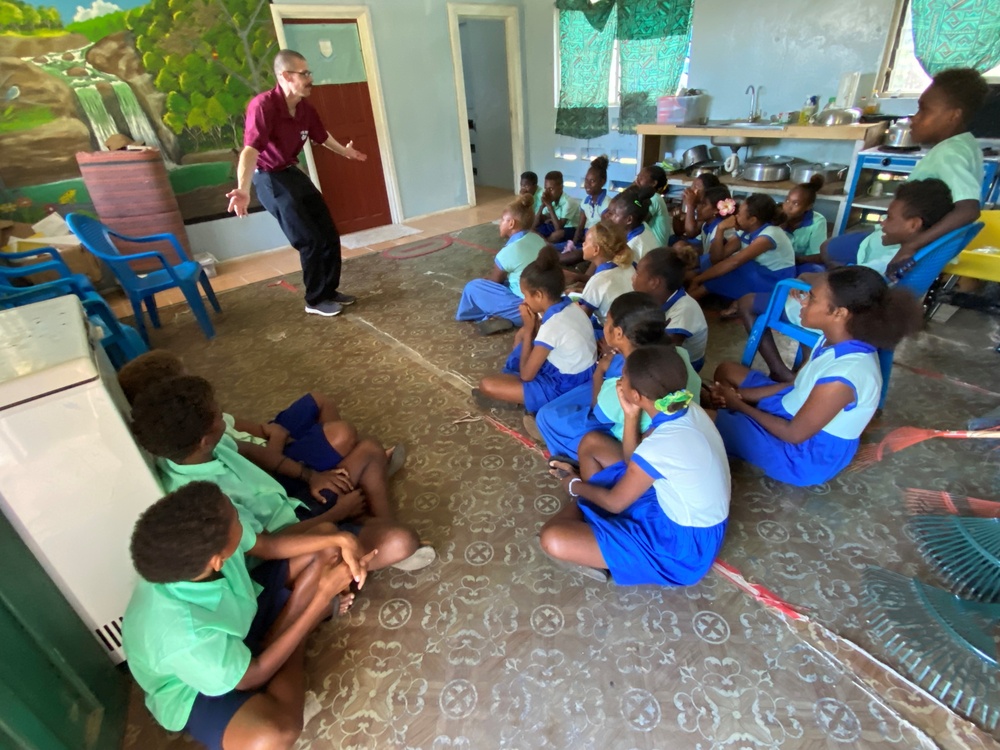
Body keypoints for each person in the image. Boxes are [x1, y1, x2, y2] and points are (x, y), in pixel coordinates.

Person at [122, 481, 374, 750]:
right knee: (274, 735)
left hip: (238, 616)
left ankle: (284, 632)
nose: (240, 515)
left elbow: (269, 547)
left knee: (326, 544)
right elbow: (252, 676)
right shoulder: (185, 635)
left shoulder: (201, 549)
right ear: (217, 560)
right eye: (236, 519)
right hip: (193, 685)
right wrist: (321, 597)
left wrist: (340, 538)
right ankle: (304, 625)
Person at [130, 375, 434, 571]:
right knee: (401, 541)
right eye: (217, 413)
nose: (223, 414)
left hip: (293, 500)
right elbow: (269, 546)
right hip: (294, 541)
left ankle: (373, 521)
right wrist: (335, 513)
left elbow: (257, 453)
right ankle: (367, 522)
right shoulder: (203, 500)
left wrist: (309, 476)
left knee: (369, 450)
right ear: (203, 439)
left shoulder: (206, 445)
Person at [711, 266, 923, 486]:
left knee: (708, 419)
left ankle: (733, 426)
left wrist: (739, 403)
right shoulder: (833, 338)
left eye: (811, 298)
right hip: (793, 406)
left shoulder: (844, 376)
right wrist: (740, 394)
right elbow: (797, 384)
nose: (802, 302)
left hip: (803, 454)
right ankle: (735, 425)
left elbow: (793, 434)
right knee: (726, 371)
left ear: (839, 312)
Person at [541, 345, 731, 585]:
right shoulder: (686, 408)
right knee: (592, 443)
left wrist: (574, 485)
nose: (620, 380)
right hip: (678, 506)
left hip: (683, 547)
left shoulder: (662, 443)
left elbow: (615, 503)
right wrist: (631, 415)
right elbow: (635, 460)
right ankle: (594, 529)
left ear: (637, 396)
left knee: (552, 538)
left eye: (623, 377)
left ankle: (594, 535)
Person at [116, 350, 405, 505]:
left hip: (271, 447)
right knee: (343, 435)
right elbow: (260, 466)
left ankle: (357, 470)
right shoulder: (203, 436)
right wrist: (276, 439)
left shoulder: (203, 418)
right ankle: (359, 473)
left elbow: (250, 428)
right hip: (274, 464)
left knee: (318, 401)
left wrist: (270, 431)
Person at [737, 179, 954, 382]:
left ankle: (778, 369)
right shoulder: (912, 257)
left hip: (838, 311)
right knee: (808, 293)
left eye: (888, 217)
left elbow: (831, 284)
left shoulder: (889, 261)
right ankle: (804, 364)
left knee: (747, 302)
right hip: (852, 310)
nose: (882, 222)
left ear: (914, 224)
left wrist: (803, 277)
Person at [226, 50, 367, 319]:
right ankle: (314, 299)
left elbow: (322, 137)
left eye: (309, 72)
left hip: (290, 172)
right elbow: (250, 151)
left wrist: (345, 152)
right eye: (304, 74)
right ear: (286, 76)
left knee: (328, 233)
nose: (310, 78)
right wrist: (243, 189)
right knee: (309, 240)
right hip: (268, 177)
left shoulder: (305, 109)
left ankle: (328, 291)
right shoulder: (263, 105)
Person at [535, 292, 700, 462]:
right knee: (564, 405)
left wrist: (600, 371)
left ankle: (577, 458)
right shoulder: (679, 353)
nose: (605, 325)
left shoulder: (628, 381)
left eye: (607, 321)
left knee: (547, 417)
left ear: (619, 334)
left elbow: (597, 409)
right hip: (662, 419)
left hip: (631, 437)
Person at [475, 246, 597, 413]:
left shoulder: (553, 325)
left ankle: (528, 401)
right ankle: (516, 392)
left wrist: (529, 326)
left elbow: (526, 375)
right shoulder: (570, 306)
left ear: (539, 295)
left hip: (565, 384)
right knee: (520, 340)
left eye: (526, 294)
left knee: (487, 385)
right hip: (580, 371)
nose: (524, 300)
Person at [456, 194, 547, 335]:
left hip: (526, 308)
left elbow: (495, 281)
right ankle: (496, 316)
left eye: (502, 220)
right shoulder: (538, 238)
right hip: (548, 298)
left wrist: (486, 280)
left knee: (473, 287)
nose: (500, 223)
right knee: (510, 281)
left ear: (511, 223)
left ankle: (492, 316)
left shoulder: (507, 252)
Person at [690, 193, 795, 306]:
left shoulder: (769, 235)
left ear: (752, 220)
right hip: (756, 273)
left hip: (774, 281)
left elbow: (734, 262)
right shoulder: (745, 229)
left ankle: (683, 302)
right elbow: (716, 258)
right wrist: (720, 229)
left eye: (739, 214)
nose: (736, 217)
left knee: (723, 273)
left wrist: (699, 279)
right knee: (713, 267)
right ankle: (688, 297)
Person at [632, 247, 709, 371]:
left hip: (687, 365)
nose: (633, 277)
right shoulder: (657, 297)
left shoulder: (684, 310)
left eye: (637, 273)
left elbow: (663, 352)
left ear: (654, 282)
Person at [577, 221, 635, 327]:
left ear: (596, 250)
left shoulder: (599, 280)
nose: (583, 244)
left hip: (611, 334)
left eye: (586, 241)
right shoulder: (628, 267)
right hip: (630, 326)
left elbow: (581, 319)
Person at [563, 155, 612, 265]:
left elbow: (604, 234)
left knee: (572, 256)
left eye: (592, 181)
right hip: (585, 241)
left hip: (597, 245)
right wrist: (572, 244)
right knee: (559, 247)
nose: (587, 185)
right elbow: (580, 227)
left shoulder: (607, 204)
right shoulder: (585, 201)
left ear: (602, 182)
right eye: (586, 180)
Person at [779, 176, 828, 265]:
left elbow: (818, 255)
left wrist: (795, 260)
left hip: (801, 263)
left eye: (796, 203)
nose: (788, 207)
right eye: (787, 200)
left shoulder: (817, 222)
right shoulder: (776, 217)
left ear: (808, 207)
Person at [605, 186, 658, 260]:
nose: (610, 217)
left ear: (629, 220)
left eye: (615, 214)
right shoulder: (643, 227)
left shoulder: (631, 248)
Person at [670, 172, 722, 247]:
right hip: (691, 239)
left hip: (699, 241)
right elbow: (679, 232)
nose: (691, 190)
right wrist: (678, 215)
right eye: (692, 186)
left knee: (679, 246)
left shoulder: (705, 209)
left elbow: (691, 233)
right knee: (672, 239)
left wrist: (690, 206)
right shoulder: (694, 203)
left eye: (696, 187)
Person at [533, 170, 580, 245]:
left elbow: (559, 228)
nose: (547, 192)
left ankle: (544, 244)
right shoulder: (551, 199)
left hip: (570, 228)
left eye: (551, 189)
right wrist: (542, 206)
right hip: (554, 225)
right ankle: (545, 242)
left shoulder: (568, 202)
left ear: (561, 188)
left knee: (558, 234)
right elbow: (535, 224)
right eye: (546, 188)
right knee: (532, 229)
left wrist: (549, 206)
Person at [634, 164, 676, 247]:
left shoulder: (654, 198)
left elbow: (638, 221)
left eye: (641, 178)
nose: (637, 180)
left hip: (655, 247)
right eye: (638, 176)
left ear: (653, 183)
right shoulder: (644, 197)